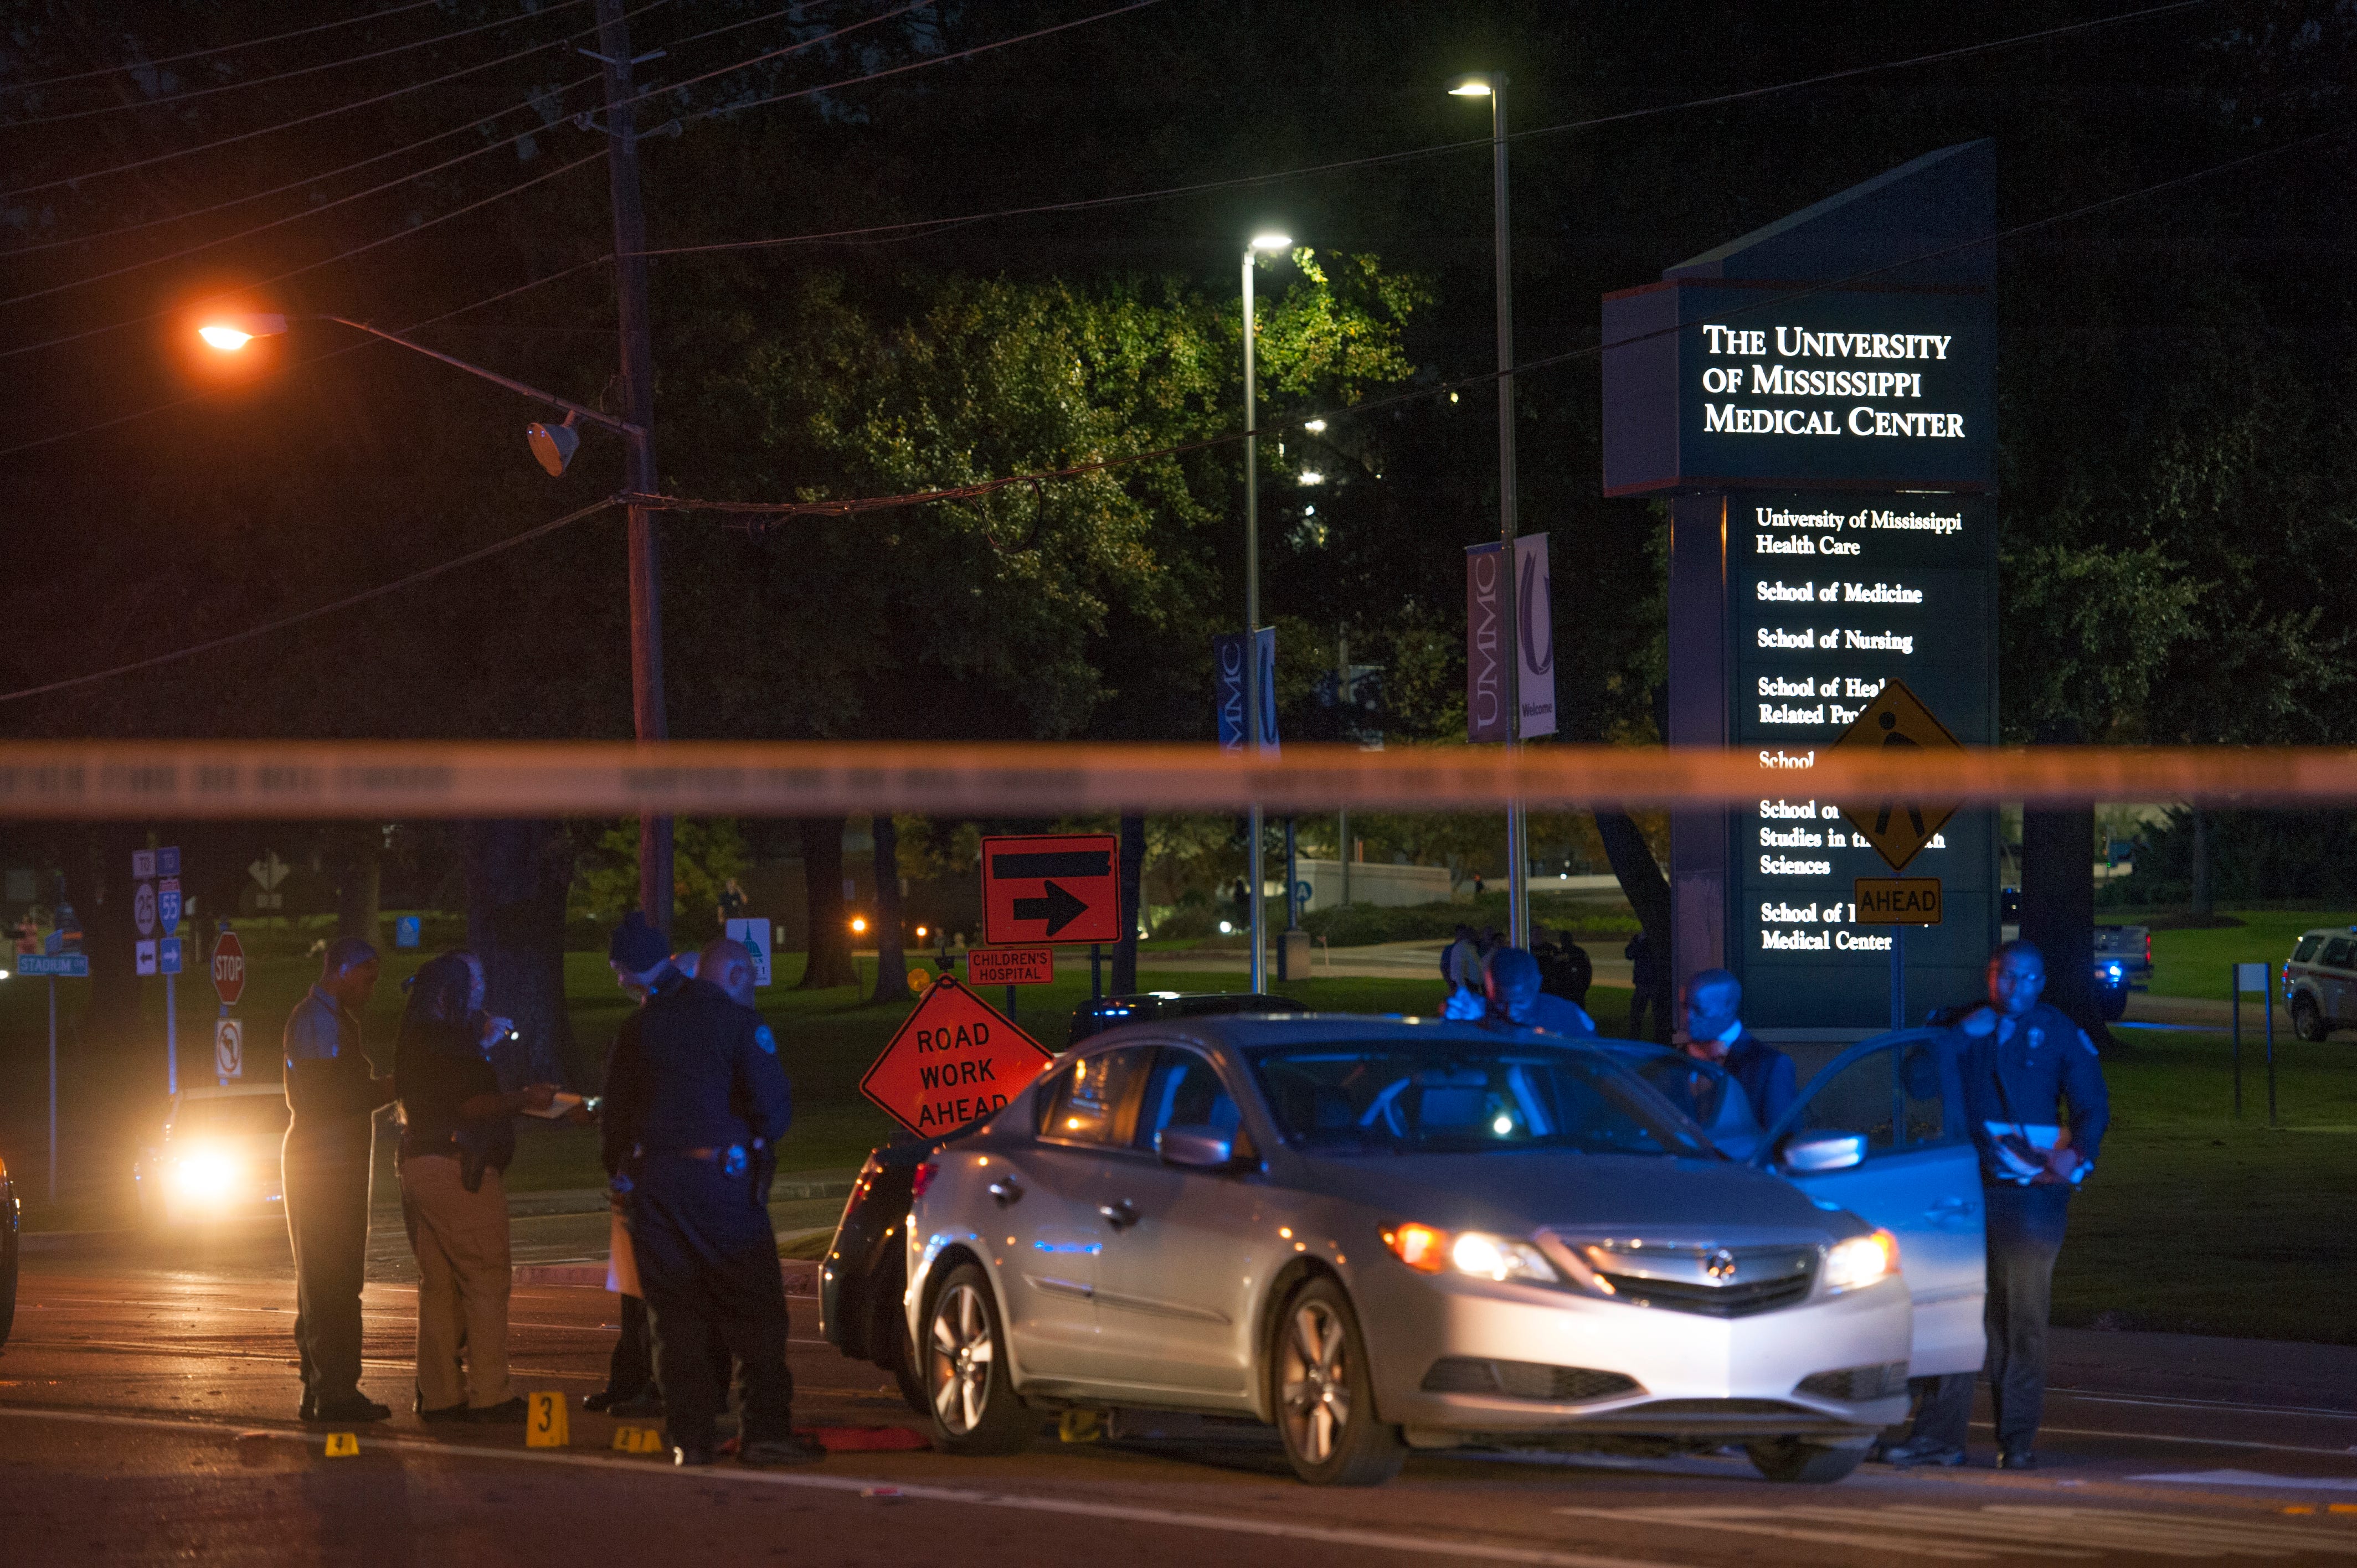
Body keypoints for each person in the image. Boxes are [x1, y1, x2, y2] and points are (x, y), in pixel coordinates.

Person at [1880, 938, 2110, 1472]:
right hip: (1966, 1194)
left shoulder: (2058, 1032)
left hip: (2032, 1201)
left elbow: (2092, 1104)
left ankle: (2019, 1441)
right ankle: (1940, 1439)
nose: (2017, 987)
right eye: (2007, 975)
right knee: (1957, 1317)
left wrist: (2073, 1158)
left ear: (2043, 982)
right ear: (1990, 976)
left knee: (2021, 1321)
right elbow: (1914, 1082)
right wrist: (1959, 1038)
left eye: (2029, 978)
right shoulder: (1960, 1026)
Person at [600, 911, 820, 1468]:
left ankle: (689, 1437)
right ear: (738, 978)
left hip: (656, 1190)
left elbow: (615, 1118)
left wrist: (625, 1176)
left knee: (675, 1321)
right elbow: (772, 1112)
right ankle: (764, 1430)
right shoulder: (738, 1025)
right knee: (755, 1315)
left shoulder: (641, 1026)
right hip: (721, 1188)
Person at [394, 952, 557, 1423]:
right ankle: (491, 1391)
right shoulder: (447, 1042)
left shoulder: (417, 1037)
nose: (479, 991)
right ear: (449, 993)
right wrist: (524, 1099)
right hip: (457, 1167)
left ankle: (441, 1393)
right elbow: (469, 1104)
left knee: (439, 1284)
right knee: (486, 1277)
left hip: (419, 1164)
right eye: (472, 982)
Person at [282, 937, 395, 1423]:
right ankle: (336, 1390)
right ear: (345, 971)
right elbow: (325, 1097)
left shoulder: (325, 1019)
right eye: (368, 979)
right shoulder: (318, 1022)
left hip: (326, 1159)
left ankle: (320, 1384)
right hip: (324, 1162)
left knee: (324, 1277)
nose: (371, 990)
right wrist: (391, 1087)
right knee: (334, 1278)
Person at [1677, 968, 1795, 1127]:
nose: (1688, 1018)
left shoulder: (1768, 1067)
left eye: (1699, 1009)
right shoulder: (1672, 1062)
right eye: (1686, 1007)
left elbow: (1782, 1141)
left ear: (1729, 1007)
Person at [1481, 946, 1597, 1036]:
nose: (1511, 1013)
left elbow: (1596, 1058)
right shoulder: (1476, 1014)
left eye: (1520, 1003)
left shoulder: (1569, 1018)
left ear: (1537, 984)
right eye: (1501, 1003)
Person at [1625, 930, 1664, 1040]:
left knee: (1658, 1015)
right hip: (1643, 983)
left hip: (1654, 983)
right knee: (1636, 1014)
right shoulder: (1639, 939)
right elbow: (1629, 954)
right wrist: (1638, 942)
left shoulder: (1655, 939)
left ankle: (1659, 1039)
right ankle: (1635, 1038)